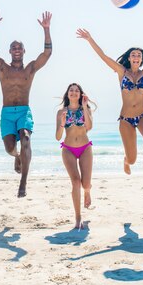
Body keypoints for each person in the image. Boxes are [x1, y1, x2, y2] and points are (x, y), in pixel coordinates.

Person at [76, 21, 143, 188]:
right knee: (132, 159)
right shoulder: (122, 72)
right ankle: (126, 160)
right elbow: (104, 56)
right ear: (129, 58)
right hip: (126, 119)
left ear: (141, 60)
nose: (136, 57)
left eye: (139, 55)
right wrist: (90, 39)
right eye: (133, 54)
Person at [0, 8, 52, 197]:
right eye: (14, 47)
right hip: (6, 113)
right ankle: (17, 156)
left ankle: (23, 184)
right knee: (10, 148)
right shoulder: (2, 67)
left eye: (20, 47)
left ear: (24, 51)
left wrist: (46, 29)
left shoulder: (30, 69)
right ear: (10, 51)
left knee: (26, 139)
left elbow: (46, 54)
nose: (17, 50)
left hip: (23, 111)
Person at [55, 83, 94, 229]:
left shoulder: (86, 109)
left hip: (85, 148)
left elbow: (89, 127)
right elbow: (58, 137)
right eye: (71, 90)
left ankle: (87, 192)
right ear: (67, 94)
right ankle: (78, 218)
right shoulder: (61, 112)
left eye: (77, 91)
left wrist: (84, 107)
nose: (74, 92)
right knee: (76, 182)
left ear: (80, 94)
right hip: (68, 149)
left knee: (85, 184)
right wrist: (62, 124)